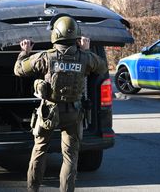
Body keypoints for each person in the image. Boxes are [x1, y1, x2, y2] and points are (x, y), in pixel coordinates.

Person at [14, 14, 108, 192]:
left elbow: (19, 70)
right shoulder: (84, 58)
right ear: (77, 36)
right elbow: (102, 67)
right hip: (73, 113)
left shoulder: (45, 57)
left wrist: (24, 52)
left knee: (39, 151)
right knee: (70, 157)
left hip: (49, 112)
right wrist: (86, 50)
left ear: (55, 34)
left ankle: (32, 189)